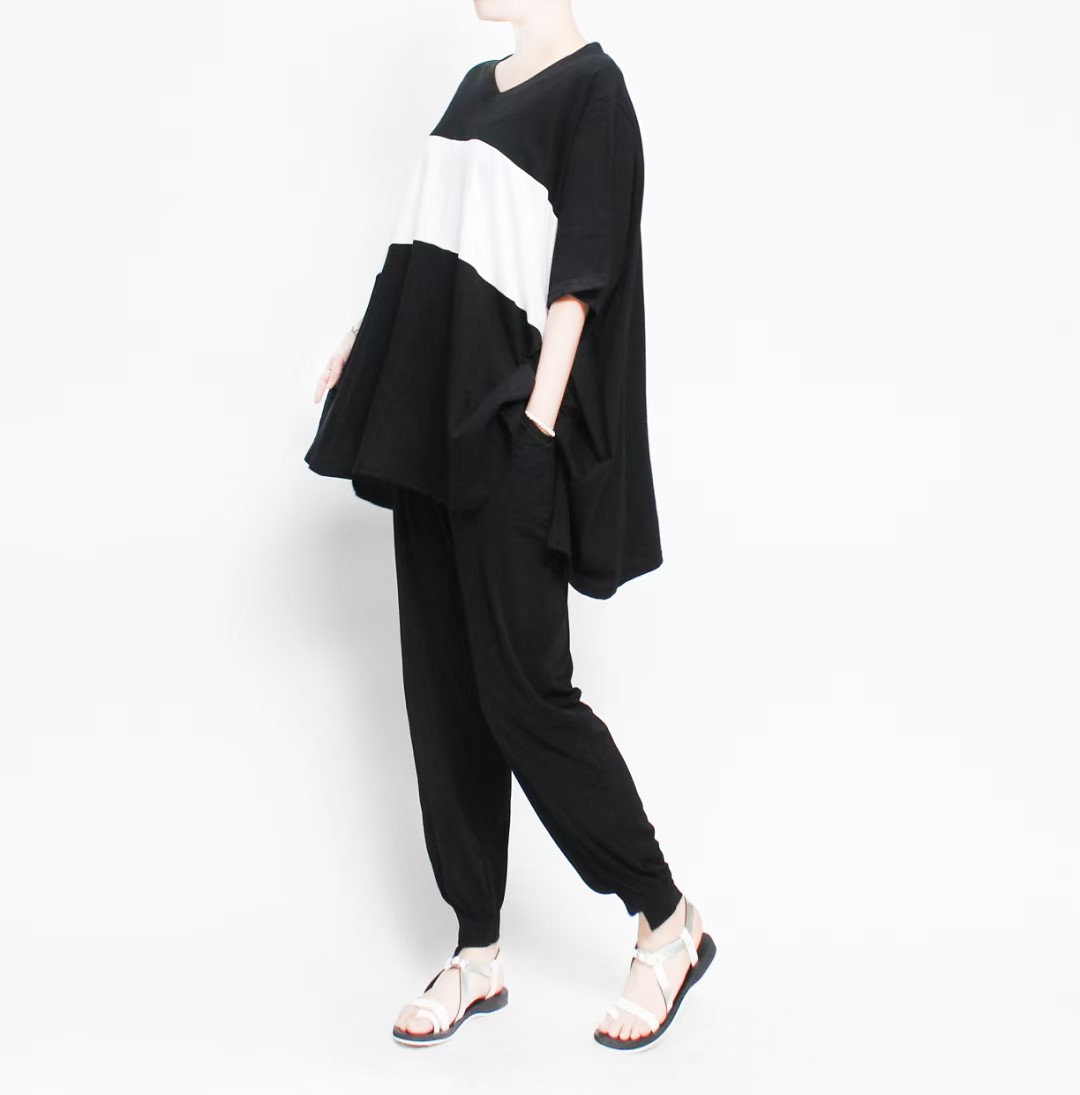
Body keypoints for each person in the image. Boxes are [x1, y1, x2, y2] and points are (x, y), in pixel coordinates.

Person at [304, 0, 714, 1051]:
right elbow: (422, 244)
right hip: (424, 425)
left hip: (505, 428)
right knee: (443, 690)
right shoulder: (471, 90)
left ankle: (666, 920)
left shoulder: (595, 95)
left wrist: (535, 427)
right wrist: (363, 340)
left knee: (525, 696)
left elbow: (581, 284)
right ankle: (476, 951)